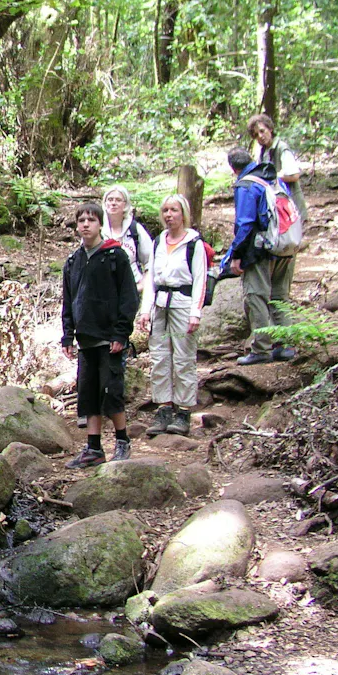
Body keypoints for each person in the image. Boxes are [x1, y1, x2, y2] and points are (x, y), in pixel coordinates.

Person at [61, 203, 139, 467]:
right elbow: (69, 300)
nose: (85, 224)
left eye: (91, 220)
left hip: (109, 338)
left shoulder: (115, 256)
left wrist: (121, 333)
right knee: (89, 393)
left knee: (112, 391)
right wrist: (67, 335)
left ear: (100, 224)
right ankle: (93, 448)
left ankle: (122, 441)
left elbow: (129, 297)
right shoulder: (73, 261)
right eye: (81, 220)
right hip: (86, 339)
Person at [137, 195, 207, 437]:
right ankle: (163, 408)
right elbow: (152, 280)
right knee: (159, 358)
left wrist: (195, 313)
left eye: (174, 210)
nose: (169, 215)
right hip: (160, 307)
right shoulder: (158, 242)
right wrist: (145, 310)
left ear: (183, 214)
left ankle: (184, 411)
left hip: (182, 306)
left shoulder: (194, 243)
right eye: (165, 210)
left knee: (183, 358)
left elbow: (200, 279)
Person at [220, 147, 297, 365]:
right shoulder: (273, 179)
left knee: (256, 296)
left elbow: (245, 224)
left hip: (262, 250)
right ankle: (285, 346)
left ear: (233, 168)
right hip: (285, 244)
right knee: (280, 297)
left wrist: (235, 255)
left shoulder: (246, 185)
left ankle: (261, 348)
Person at [248, 113, 307, 221]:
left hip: (291, 205)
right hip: (278, 206)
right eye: (256, 135)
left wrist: (271, 177)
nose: (260, 136)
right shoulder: (263, 152)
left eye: (262, 131)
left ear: (270, 129)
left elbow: (294, 175)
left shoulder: (281, 148)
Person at [102, 185, 153, 288]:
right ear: (105, 203)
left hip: (133, 289)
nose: (113, 203)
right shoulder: (97, 229)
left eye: (118, 200)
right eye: (110, 199)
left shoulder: (135, 229)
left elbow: (150, 260)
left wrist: (143, 284)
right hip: (104, 292)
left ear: (125, 205)